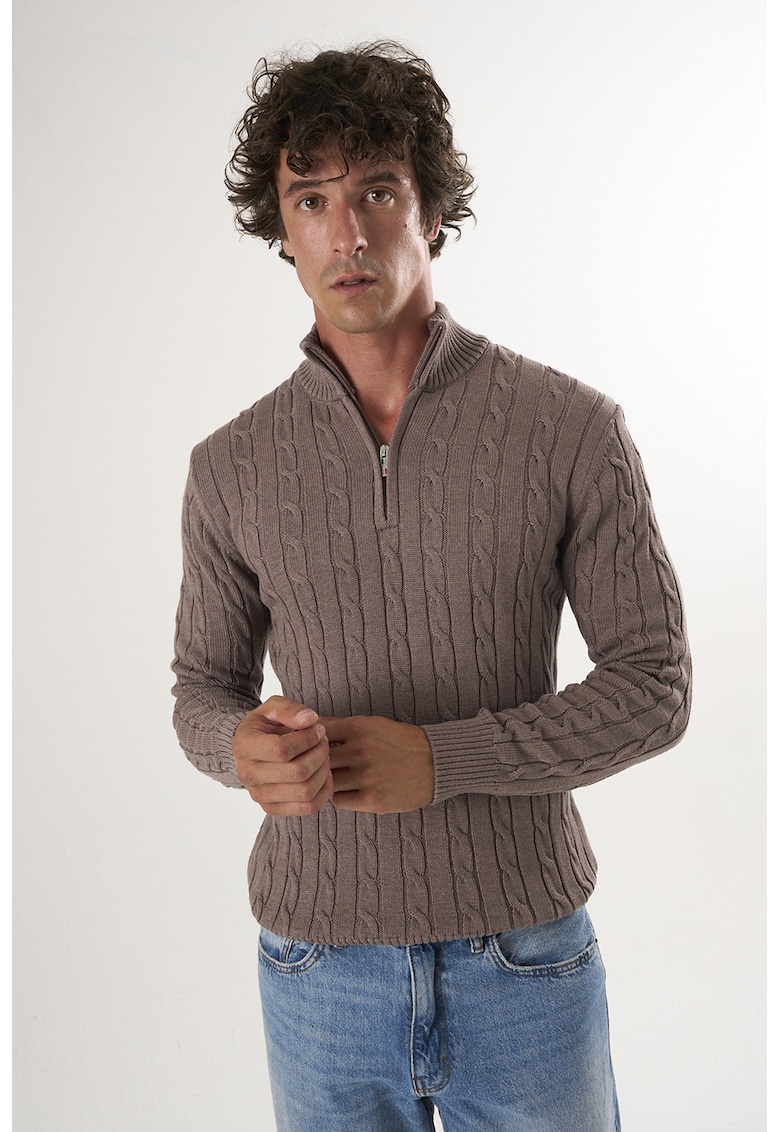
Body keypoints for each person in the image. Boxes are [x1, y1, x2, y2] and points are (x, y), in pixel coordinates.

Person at [172, 41, 691, 1132]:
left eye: (377, 191)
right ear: (282, 232)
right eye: (311, 200)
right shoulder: (230, 465)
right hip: (316, 969)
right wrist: (237, 746)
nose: (347, 234)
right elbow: (201, 691)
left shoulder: (571, 428)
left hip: (526, 961)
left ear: (434, 211)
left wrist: (445, 759)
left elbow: (653, 686)